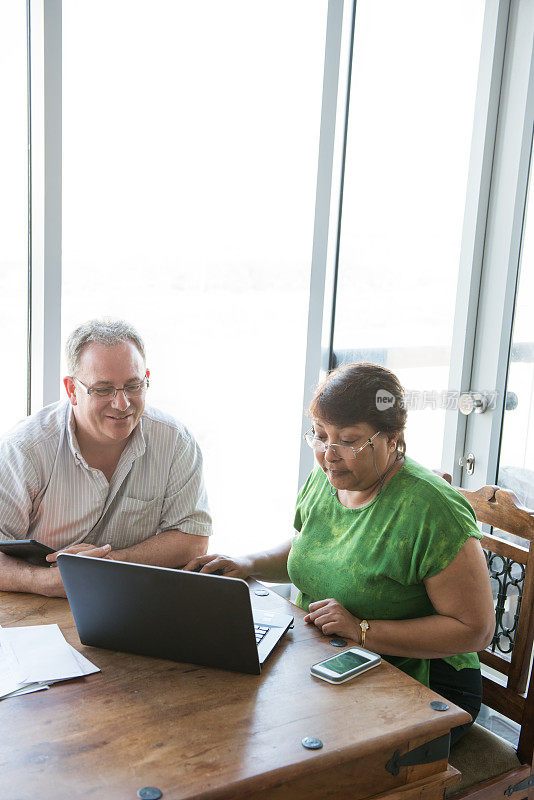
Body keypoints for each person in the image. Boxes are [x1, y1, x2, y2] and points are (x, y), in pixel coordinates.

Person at [184, 362, 495, 745]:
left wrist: (363, 630)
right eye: (319, 436)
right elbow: (311, 549)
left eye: (349, 441)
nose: (328, 455)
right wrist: (247, 564)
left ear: (392, 437)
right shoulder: (330, 475)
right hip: (328, 655)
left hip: (425, 684)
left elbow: (475, 630)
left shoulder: (433, 510)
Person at [0, 319, 211, 597]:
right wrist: (46, 582)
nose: (122, 403)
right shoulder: (25, 449)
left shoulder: (175, 441)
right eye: (103, 389)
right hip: (37, 607)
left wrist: (109, 564)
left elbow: (193, 539)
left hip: (132, 600)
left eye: (134, 385)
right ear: (72, 390)